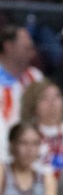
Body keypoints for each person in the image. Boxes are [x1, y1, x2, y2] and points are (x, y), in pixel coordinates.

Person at [19, 79, 63, 178]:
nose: (52, 103)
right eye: (44, 98)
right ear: (32, 105)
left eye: (56, 97)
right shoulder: (24, 135)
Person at [0, 25, 44, 161]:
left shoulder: (35, 77)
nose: (30, 45)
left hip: (29, 146)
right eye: (25, 41)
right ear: (8, 46)